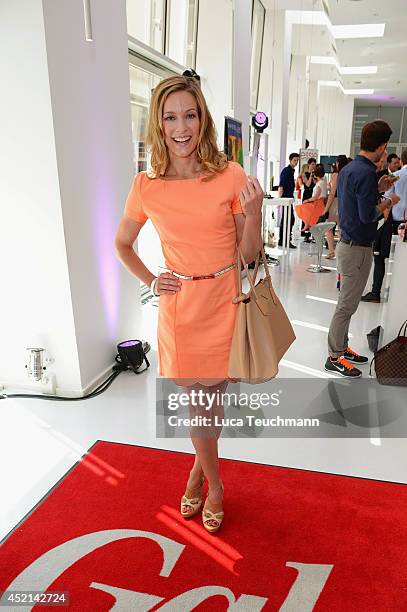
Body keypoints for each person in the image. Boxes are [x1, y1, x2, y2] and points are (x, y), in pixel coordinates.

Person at [115, 75, 263, 533]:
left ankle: (199, 471)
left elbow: (248, 255)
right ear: (158, 125)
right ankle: (215, 486)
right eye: (171, 117)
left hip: (224, 300)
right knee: (200, 407)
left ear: (203, 120)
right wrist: (152, 279)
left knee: (210, 406)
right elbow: (123, 244)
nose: (182, 127)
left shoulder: (230, 176)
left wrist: (254, 213)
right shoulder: (146, 185)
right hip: (180, 310)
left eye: (190, 115)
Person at [325, 120, 399, 377]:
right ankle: (334, 356)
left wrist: (378, 189)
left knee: (349, 302)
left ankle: (342, 348)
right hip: (356, 248)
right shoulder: (366, 172)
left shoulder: (350, 169)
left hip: (352, 244)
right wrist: (389, 200)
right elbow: (367, 214)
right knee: (346, 304)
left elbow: (355, 203)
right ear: (383, 146)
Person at [362, 148, 406, 303]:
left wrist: (386, 221)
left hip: (393, 222)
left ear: (402, 161)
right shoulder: (390, 176)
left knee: (379, 256)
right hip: (401, 222)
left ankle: (376, 292)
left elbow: (387, 202)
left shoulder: (396, 177)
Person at [322, 155, 350, 259]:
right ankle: (344, 251)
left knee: (329, 227)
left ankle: (331, 251)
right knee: (342, 228)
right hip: (345, 202)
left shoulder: (336, 175)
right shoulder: (348, 174)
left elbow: (332, 193)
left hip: (335, 202)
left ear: (338, 163)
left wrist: (326, 208)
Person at [277, 152, 299, 248]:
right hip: (285, 199)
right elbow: (281, 186)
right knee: (288, 220)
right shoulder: (286, 171)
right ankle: (283, 240)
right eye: (295, 160)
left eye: (297, 160)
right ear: (290, 160)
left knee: (288, 220)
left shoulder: (291, 171)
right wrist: (279, 200)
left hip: (288, 199)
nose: (296, 162)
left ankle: (283, 240)